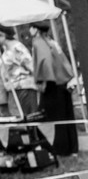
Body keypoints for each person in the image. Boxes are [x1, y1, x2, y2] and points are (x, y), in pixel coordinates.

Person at [30, 23, 77, 155]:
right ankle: (71, 148)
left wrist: (43, 80)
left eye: (31, 27)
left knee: (49, 118)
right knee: (66, 116)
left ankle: (57, 149)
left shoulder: (38, 42)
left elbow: (45, 61)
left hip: (51, 83)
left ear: (35, 29)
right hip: (63, 83)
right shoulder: (52, 42)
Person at [1, 26, 35, 118]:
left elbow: (29, 64)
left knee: (28, 117)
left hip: (22, 86)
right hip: (14, 88)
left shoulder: (16, 47)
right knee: (19, 116)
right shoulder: (6, 50)